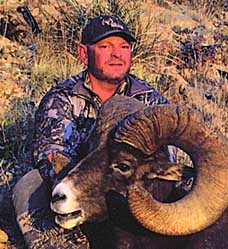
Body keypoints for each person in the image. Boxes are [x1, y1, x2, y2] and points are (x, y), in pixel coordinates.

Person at [12, 15, 173, 249]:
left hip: (133, 192)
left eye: (124, 47)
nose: (117, 54)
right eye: (105, 46)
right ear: (84, 54)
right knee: (30, 184)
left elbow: (167, 155)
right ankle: (60, 244)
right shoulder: (61, 99)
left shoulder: (150, 99)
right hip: (84, 192)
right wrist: (89, 179)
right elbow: (51, 155)